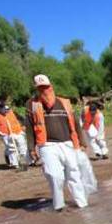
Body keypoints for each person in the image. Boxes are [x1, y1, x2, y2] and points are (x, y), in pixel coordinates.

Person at [25, 74, 88, 211]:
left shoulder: (64, 102)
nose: (44, 91)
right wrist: (31, 148)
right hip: (47, 145)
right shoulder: (32, 105)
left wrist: (82, 141)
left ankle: (82, 204)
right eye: (40, 88)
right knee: (54, 175)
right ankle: (59, 206)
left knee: (74, 173)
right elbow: (29, 128)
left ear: (51, 86)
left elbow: (75, 123)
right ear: (37, 89)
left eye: (46, 87)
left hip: (68, 143)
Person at [0, 100, 27, 169]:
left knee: (21, 146)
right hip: (5, 134)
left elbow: (20, 118)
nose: (1, 108)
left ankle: (23, 160)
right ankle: (14, 163)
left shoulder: (11, 111)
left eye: (2, 107)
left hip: (17, 131)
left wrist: (23, 125)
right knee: (11, 148)